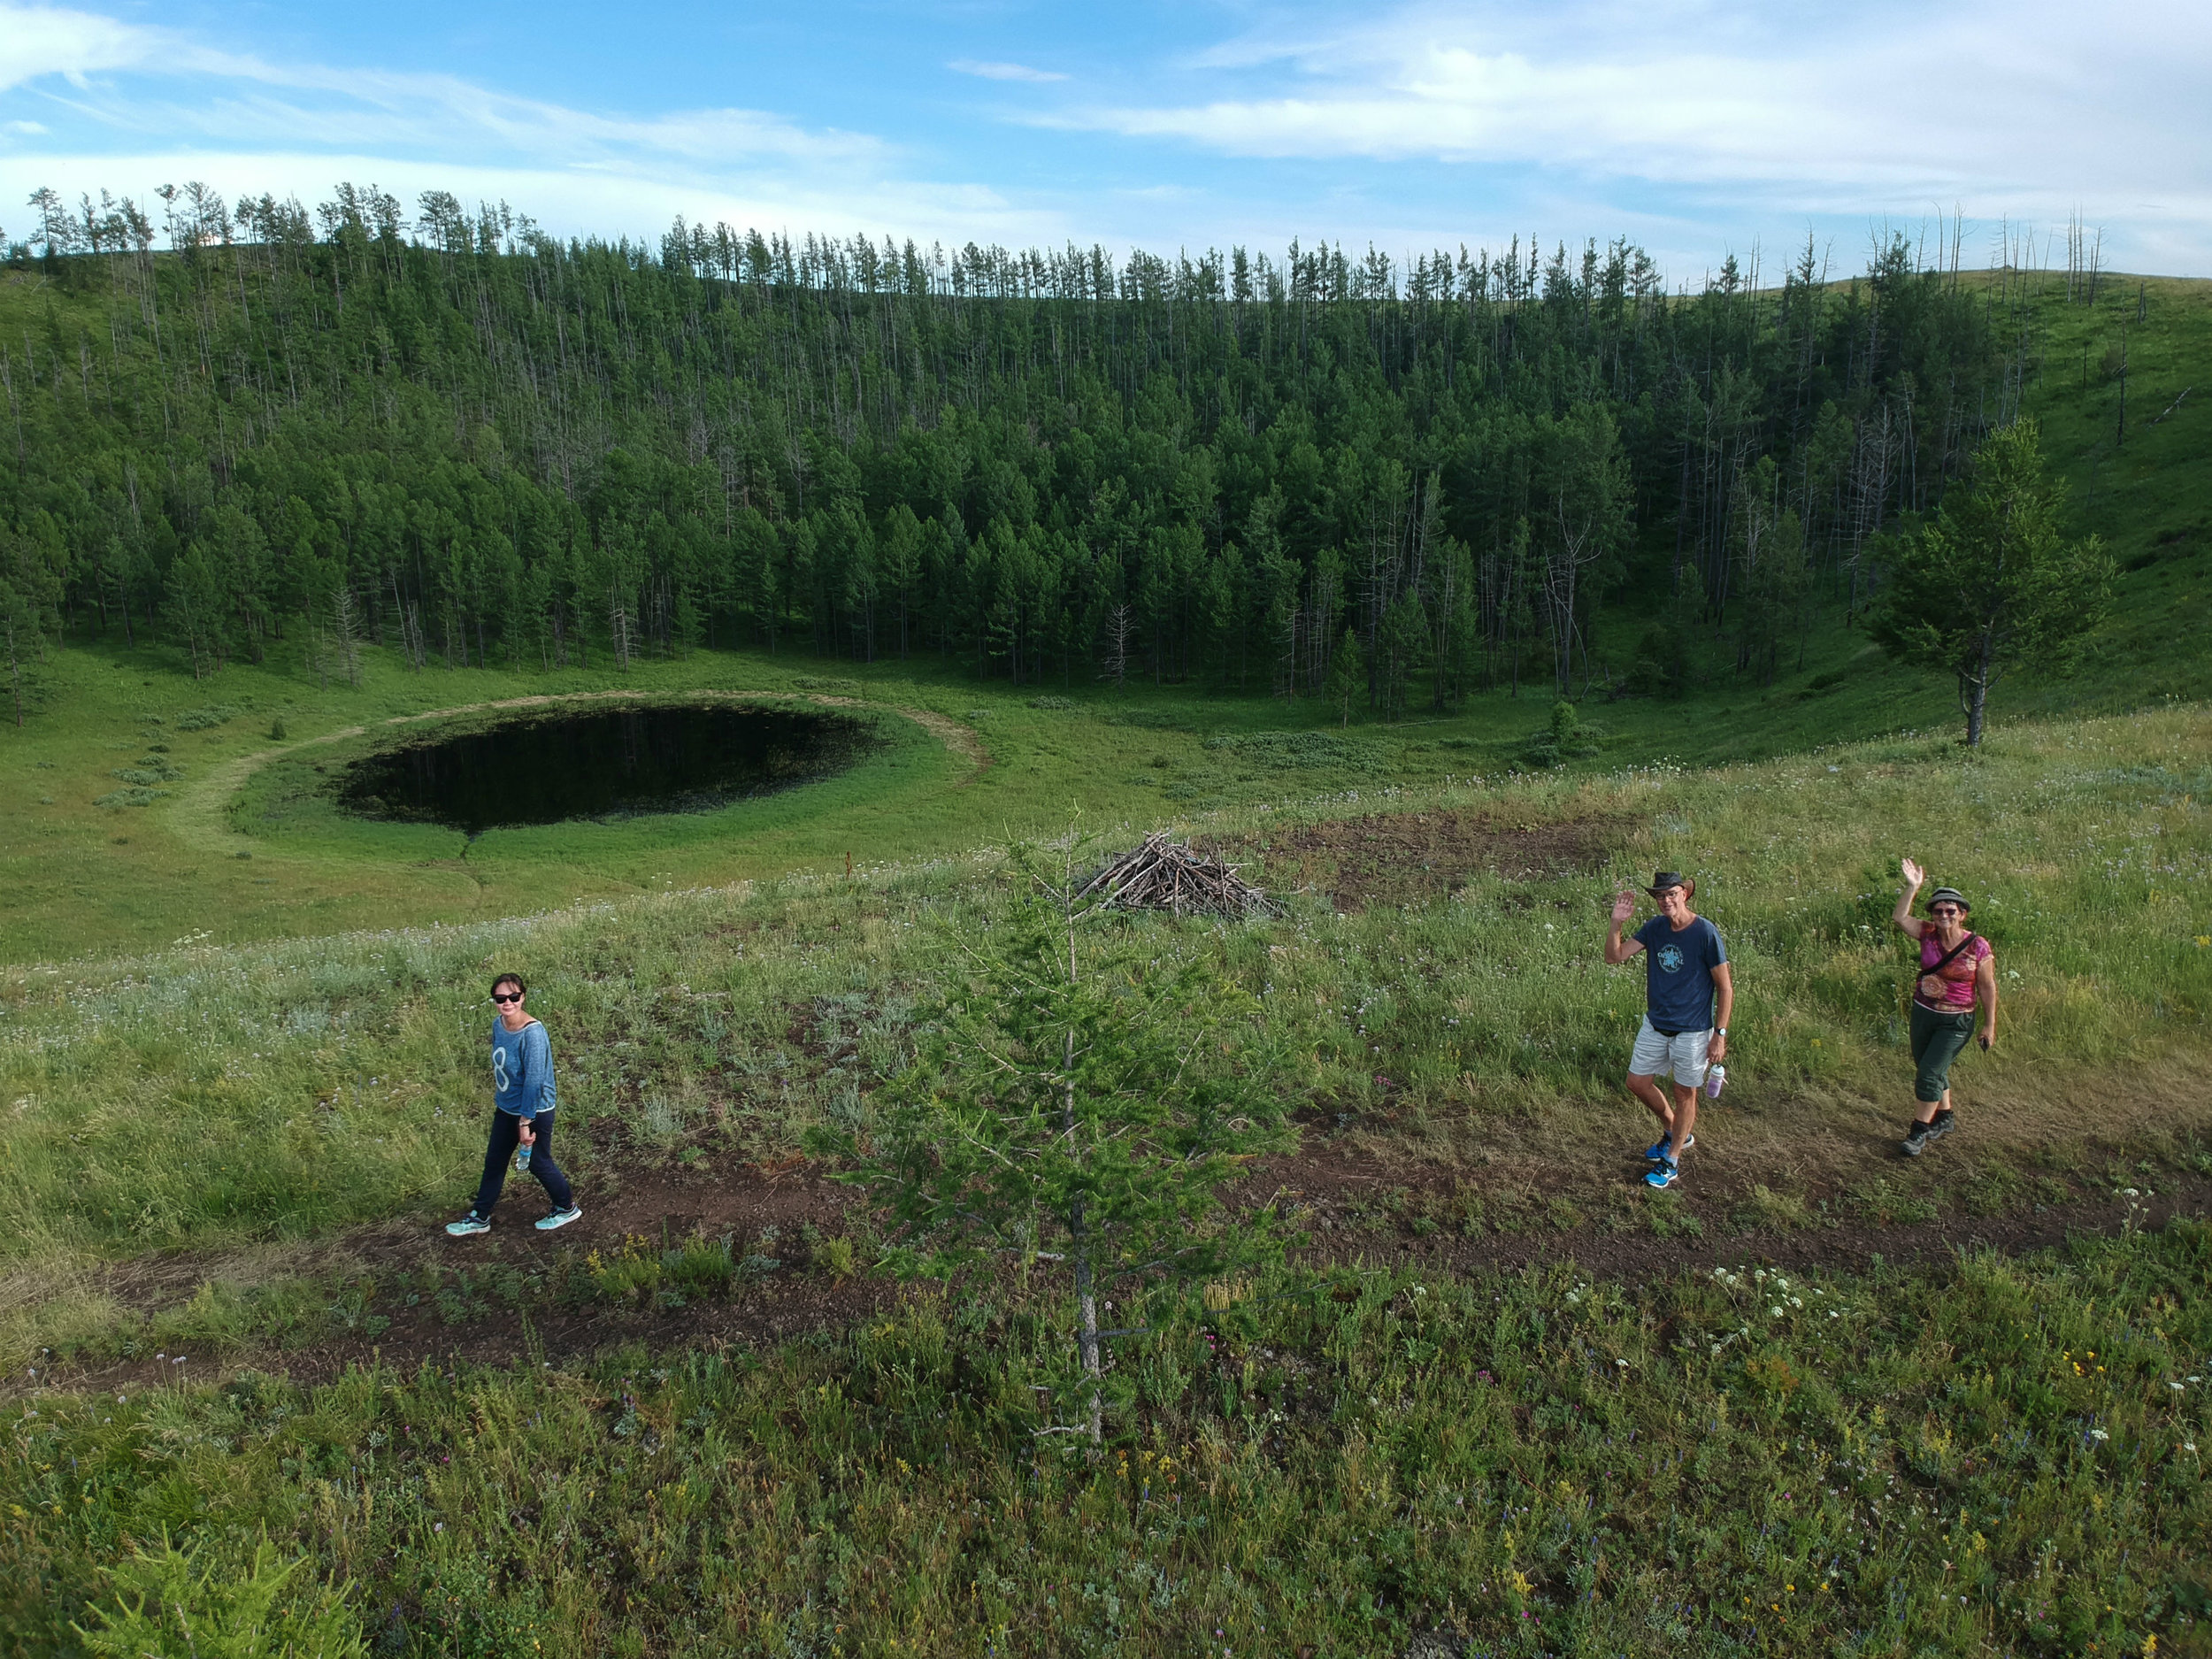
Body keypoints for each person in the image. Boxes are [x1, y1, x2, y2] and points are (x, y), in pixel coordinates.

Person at [1604, 871, 1733, 1190]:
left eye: (1671, 894)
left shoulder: (1705, 933)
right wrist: (1616, 923)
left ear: (1684, 894)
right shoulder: (1655, 928)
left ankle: (1671, 1160)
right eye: (1660, 896)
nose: (1666, 901)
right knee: (1636, 1082)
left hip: (1692, 1030)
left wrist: (1720, 1034)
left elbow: (1725, 988)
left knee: (1684, 1093)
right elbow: (1614, 956)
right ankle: (1675, 1130)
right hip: (1656, 1024)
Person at [447, 972, 584, 1235]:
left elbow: (534, 1081)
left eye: (513, 997)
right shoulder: (499, 1024)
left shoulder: (532, 1033)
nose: (507, 1003)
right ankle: (480, 1216)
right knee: (495, 1161)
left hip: (534, 1110)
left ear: (523, 997)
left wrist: (525, 1122)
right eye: (500, 998)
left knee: (537, 1162)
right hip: (506, 1108)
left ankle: (566, 1207)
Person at [1892, 859, 1997, 1156]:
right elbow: (1900, 918)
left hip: (1956, 1021)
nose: (1943, 915)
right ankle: (1946, 1118)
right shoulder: (1926, 933)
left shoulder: (1978, 947)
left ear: (1962, 914)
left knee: (1927, 1073)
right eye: (1938, 910)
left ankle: (1918, 1132)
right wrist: (1913, 887)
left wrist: (1989, 1025)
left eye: (1950, 910)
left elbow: (1987, 987)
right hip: (1924, 1013)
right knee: (1930, 1067)